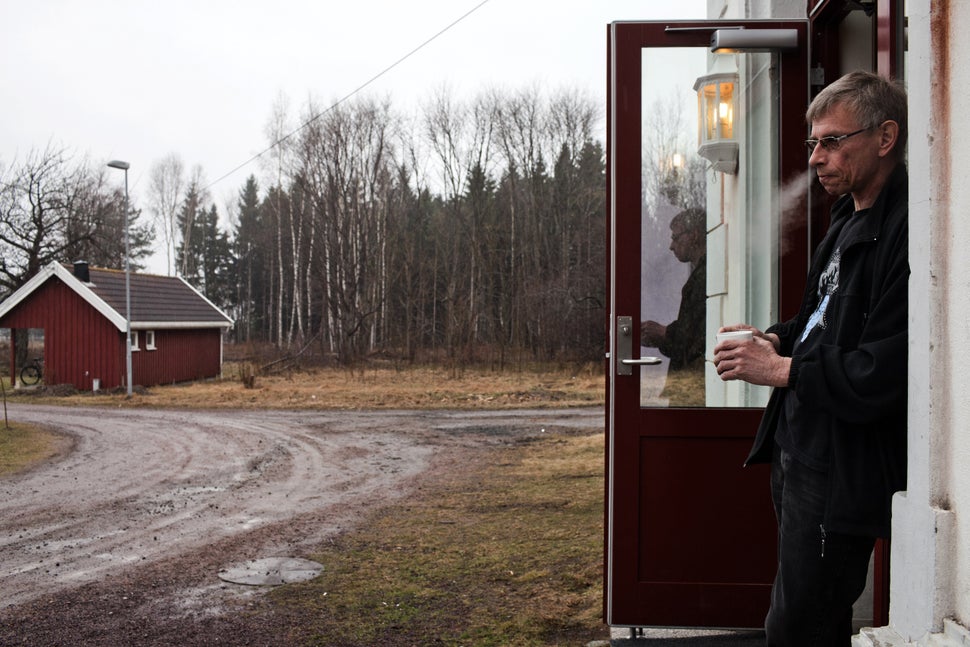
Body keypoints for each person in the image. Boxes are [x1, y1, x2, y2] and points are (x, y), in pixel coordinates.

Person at [713, 71, 908, 646]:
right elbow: (818, 323)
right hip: (802, 449)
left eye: (831, 141)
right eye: (812, 144)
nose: (817, 158)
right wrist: (774, 338)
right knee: (798, 613)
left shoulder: (908, 231)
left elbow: (885, 373)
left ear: (885, 136)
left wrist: (778, 369)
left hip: (839, 467)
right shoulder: (846, 215)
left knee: (801, 625)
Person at [641, 207, 706, 405]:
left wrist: (664, 332)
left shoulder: (705, 276)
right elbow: (687, 339)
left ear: (694, 235)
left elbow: (697, 337)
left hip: (694, 388)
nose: (671, 246)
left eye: (675, 238)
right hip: (689, 386)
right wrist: (663, 337)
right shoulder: (700, 274)